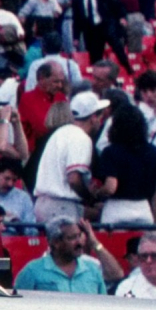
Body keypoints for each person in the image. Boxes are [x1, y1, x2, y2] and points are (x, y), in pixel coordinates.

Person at [33, 90, 110, 227]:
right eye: (99, 116)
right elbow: (74, 179)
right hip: (61, 206)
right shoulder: (80, 137)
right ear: (93, 117)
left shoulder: (61, 132)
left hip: (44, 203)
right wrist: (90, 198)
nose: (100, 121)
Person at [14, 217, 123, 294]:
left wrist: (94, 242)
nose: (79, 242)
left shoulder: (92, 269)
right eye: (72, 238)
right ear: (55, 242)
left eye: (79, 236)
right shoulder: (32, 271)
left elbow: (116, 275)